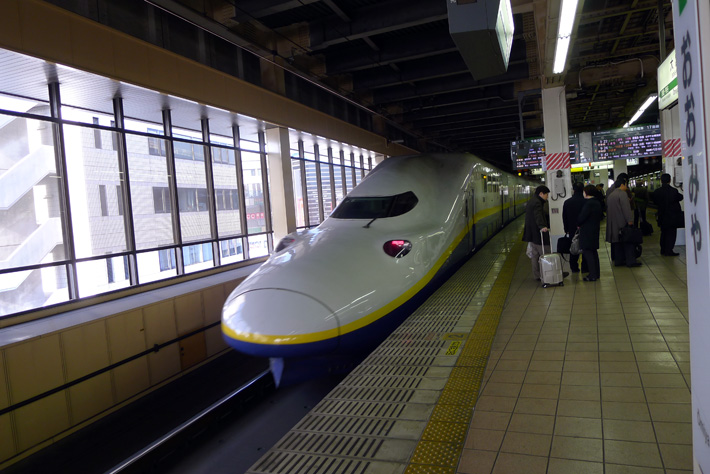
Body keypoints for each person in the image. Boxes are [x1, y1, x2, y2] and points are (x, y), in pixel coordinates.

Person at [605, 176, 641, 267]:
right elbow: (626, 209)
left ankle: (619, 261)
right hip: (622, 223)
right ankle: (631, 261)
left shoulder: (611, 195)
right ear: (622, 185)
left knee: (617, 243)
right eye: (626, 185)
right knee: (628, 243)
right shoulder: (622, 194)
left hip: (614, 223)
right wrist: (630, 220)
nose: (626, 187)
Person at [522, 185, 550, 280]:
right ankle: (547, 273)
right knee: (545, 254)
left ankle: (537, 275)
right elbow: (538, 215)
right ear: (541, 194)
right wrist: (542, 227)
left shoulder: (532, 200)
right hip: (538, 234)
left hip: (532, 234)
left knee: (534, 256)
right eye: (546, 194)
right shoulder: (538, 202)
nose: (547, 196)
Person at [652, 173, 684, 256]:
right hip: (672, 216)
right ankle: (669, 250)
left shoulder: (657, 192)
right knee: (671, 234)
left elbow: (655, 201)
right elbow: (680, 197)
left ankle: (663, 249)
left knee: (663, 233)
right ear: (670, 180)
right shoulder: (674, 191)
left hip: (662, 216)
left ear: (661, 180)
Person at [578, 184, 603, 281]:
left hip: (587, 232)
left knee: (588, 253)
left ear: (587, 192)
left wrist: (578, 222)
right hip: (594, 230)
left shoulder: (588, 204)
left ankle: (592, 275)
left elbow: (581, 218)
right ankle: (596, 273)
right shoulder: (597, 202)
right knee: (593, 252)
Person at [562, 182, 586, 273]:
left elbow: (564, 217)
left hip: (572, 229)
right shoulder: (586, 201)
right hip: (584, 228)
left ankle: (574, 267)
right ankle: (585, 267)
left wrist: (566, 229)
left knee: (573, 248)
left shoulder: (567, 202)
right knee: (585, 248)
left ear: (573, 190)